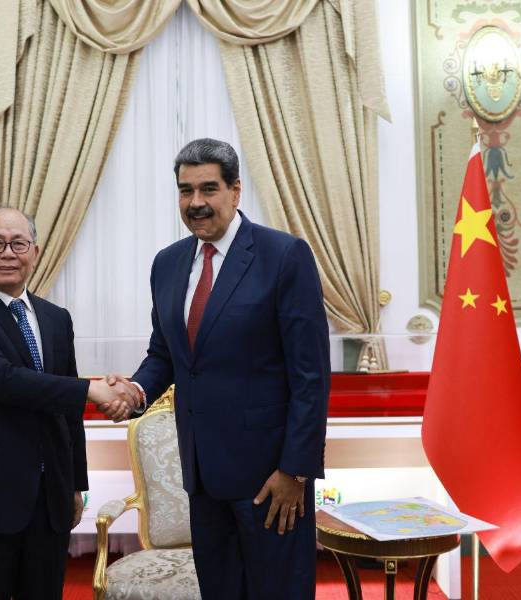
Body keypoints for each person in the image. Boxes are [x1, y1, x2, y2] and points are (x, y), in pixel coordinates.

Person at [113, 139, 330, 599]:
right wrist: (133, 390)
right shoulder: (167, 264)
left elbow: (310, 375)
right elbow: (165, 355)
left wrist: (295, 471)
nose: (196, 203)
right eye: (185, 191)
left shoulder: (284, 256)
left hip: (271, 481)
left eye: (208, 189)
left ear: (235, 190)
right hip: (203, 475)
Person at [0, 207, 140, 599]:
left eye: (18, 243)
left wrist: (76, 484)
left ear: (36, 252)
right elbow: (3, 380)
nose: (7, 253)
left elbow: (66, 412)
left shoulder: (56, 318)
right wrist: (91, 389)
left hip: (49, 503)